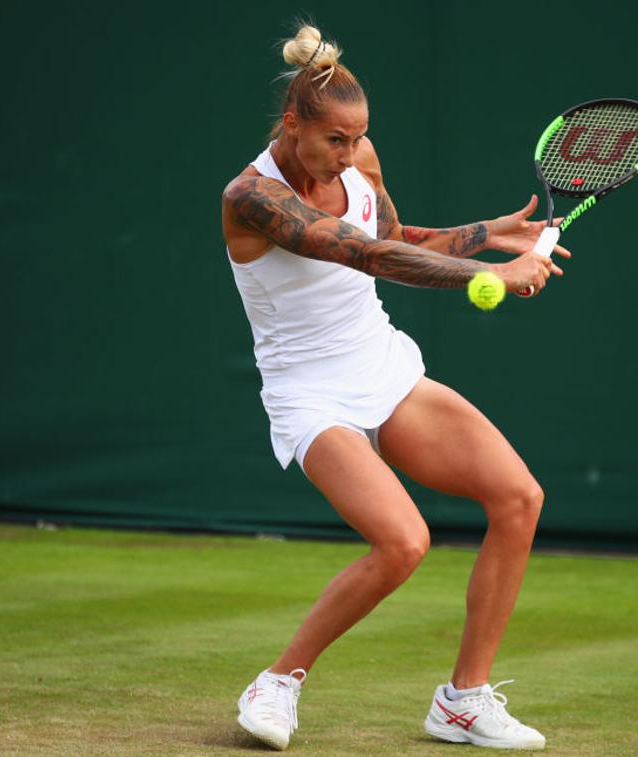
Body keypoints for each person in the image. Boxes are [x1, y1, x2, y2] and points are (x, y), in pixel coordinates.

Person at [221, 24, 569, 752]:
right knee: (405, 540)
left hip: (381, 365)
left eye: (358, 139)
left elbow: (397, 234)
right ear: (293, 124)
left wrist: (487, 234)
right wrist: (491, 277)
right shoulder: (251, 197)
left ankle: (464, 700)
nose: (350, 155)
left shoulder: (360, 160)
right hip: (311, 394)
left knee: (519, 497)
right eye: (335, 141)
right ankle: (278, 680)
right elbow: (366, 254)